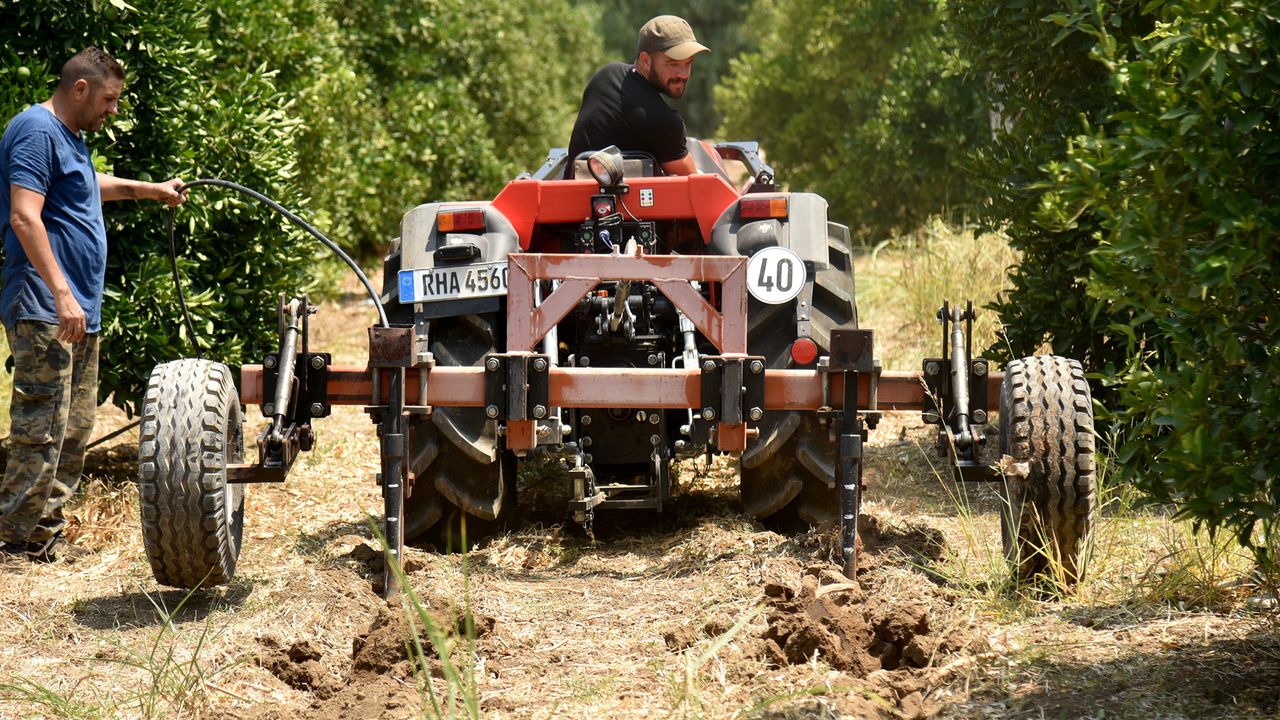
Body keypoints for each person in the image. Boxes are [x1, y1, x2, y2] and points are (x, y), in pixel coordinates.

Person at [0, 47, 186, 562]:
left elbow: (86, 187)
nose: (114, 110)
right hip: (44, 305)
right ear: (80, 89)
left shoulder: (71, 139)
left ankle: (43, 535)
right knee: (40, 428)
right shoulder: (35, 130)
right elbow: (24, 216)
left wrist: (149, 190)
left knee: (75, 427)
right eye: (109, 99)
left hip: (76, 310)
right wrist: (61, 292)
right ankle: (12, 540)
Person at [564, 15, 710, 178]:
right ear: (645, 60)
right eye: (673, 64)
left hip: (569, 196)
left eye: (688, 63)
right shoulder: (665, 121)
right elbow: (695, 187)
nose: (683, 74)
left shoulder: (604, 76)